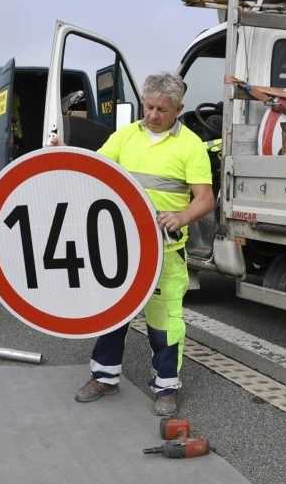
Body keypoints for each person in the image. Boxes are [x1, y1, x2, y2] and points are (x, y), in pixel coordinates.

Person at [54, 72, 215, 416]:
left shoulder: (191, 146)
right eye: (148, 106)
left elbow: (205, 199)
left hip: (166, 252)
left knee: (165, 321)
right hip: (122, 248)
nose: (153, 115)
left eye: (161, 109)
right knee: (114, 315)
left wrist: (182, 217)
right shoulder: (125, 136)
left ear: (178, 109)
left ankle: (166, 387)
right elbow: (94, 168)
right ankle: (104, 377)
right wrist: (62, 155)